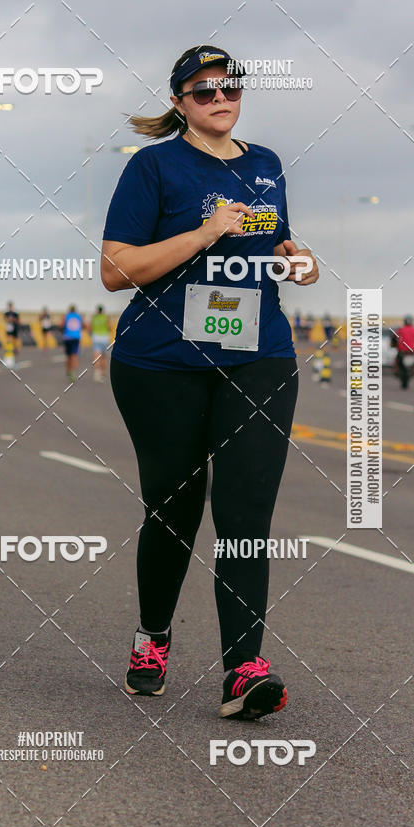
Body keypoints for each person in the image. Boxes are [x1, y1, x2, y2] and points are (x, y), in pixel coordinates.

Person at [101, 45, 319, 720]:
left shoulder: (266, 164)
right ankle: (153, 638)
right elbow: (115, 270)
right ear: (179, 102)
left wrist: (298, 260)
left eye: (230, 86)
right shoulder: (154, 166)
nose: (220, 98)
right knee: (174, 509)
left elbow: (275, 243)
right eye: (203, 90)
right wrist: (203, 232)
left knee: (246, 513)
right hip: (162, 362)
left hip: (258, 356)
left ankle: (243, 670)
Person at [395, 315, 414, 388]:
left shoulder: (401, 329)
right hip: (412, 351)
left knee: (396, 361)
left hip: (403, 351)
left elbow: (395, 337)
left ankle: (397, 371)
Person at [62, 304, 83, 382]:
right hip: (76, 338)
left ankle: (68, 371)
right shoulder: (79, 316)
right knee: (74, 355)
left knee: (68, 356)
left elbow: (62, 325)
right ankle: (73, 372)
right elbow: (82, 325)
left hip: (67, 337)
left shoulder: (66, 316)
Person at [90, 304, 110, 382]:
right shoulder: (105, 317)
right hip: (104, 338)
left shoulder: (94, 318)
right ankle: (103, 373)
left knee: (97, 356)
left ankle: (97, 373)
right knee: (104, 357)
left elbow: (90, 327)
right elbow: (109, 327)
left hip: (96, 338)